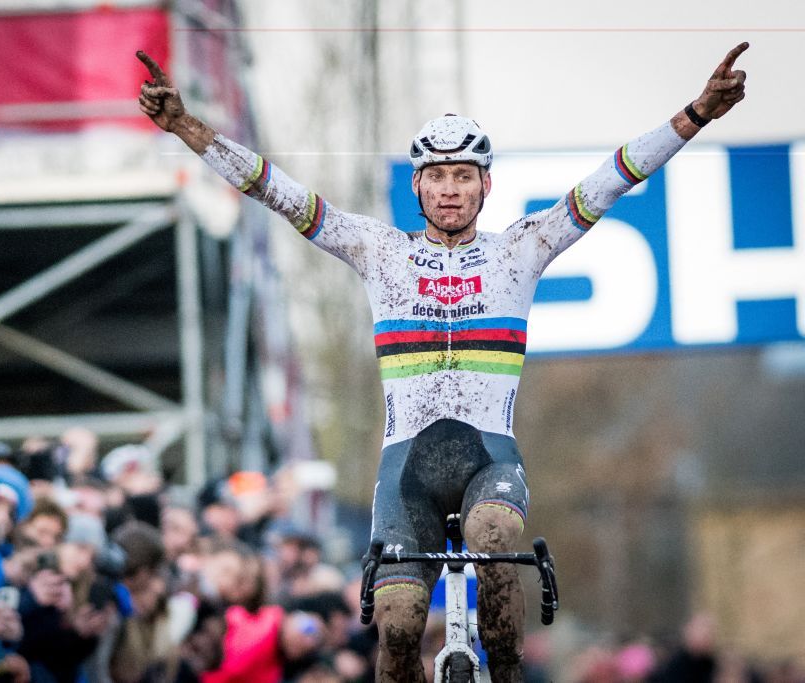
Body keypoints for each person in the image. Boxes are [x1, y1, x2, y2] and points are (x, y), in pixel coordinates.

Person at [135, 42, 750, 683]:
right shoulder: (379, 250)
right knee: (397, 630)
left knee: (490, 543)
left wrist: (696, 115)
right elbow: (276, 191)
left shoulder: (524, 248)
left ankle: (506, 668)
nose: (451, 189)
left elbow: (614, 178)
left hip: (491, 462)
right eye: (438, 176)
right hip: (406, 473)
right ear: (417, 184)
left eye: (464, 176)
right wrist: (187, 126)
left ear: (486, 185)